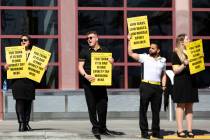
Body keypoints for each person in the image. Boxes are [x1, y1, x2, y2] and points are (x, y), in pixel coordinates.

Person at [78, 31, 124, 138]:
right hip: (88, 83)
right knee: (92, 106)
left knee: (103, 105)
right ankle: (95, 128)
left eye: (91, 38)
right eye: (87, 38)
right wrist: (86, 75)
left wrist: (112, 63)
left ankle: (103, 128)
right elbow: (80, 66)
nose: (89, 40)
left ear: (97, 38)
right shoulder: (84, 51)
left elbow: (109, 69)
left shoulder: (105, 50)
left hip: (101, 83)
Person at [128, 35, 166, 139]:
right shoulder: (144, 57)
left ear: (158, 50)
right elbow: (130, 53)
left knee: (156, 112)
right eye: (150, 47)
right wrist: (130, 40)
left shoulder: (163, 60)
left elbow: (163, 74)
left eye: (153, 48)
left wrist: (163, 86)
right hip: (146, 86)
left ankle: (156, 132)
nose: (150, 49)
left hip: (157, 87)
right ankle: (144, 132)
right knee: (143, 110)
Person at [4, 35, 37, 132]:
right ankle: (21, 124)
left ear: (29, 42)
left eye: (25, 40)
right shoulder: (14, 53)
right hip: (18, 82)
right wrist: (6, 67)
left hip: (30, 82)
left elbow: (39, 68)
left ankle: (26, 124)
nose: (23, 41)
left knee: (28, 103)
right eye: (21, 40)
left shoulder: (34, 54)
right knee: (20, 102)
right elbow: (7, 68)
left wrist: (43, 68)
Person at [172, 33, 198, 138]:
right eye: (187, 39)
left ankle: (190, 130)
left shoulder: (192, 52)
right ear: (182, 41)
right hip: (181, 81)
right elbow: (175, 70)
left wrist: (199, 58)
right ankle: (180, 130)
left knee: (189, 106)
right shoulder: (176, 53)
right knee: (181, 105)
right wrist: (184, 64)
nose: (189, 40)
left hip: (191, 81)